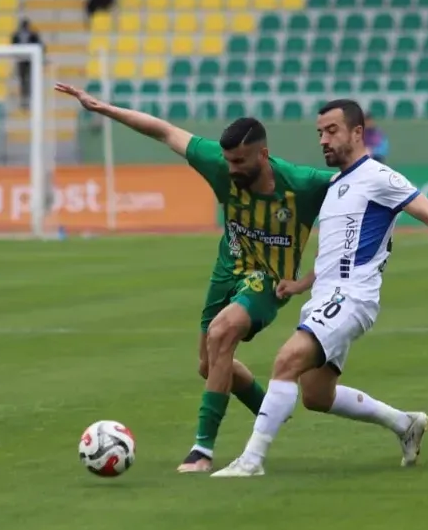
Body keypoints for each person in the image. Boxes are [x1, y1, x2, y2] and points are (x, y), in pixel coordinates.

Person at [54, 81, 335, 473]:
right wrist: (102, 108)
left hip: (269, 280)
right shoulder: (220, 163)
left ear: (263, 154)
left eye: (239, 161)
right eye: (228, 161)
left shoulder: (304, 185)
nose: (230, 169)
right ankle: (269, 407)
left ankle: (202, 451)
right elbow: (164, 130)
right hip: (227, 271)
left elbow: (362, 186)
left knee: (223, 334)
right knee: (209, 366)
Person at [213, 99, 428, 478]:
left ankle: (251, 461)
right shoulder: (335, 185)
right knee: (317, 395)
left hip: (353, 297)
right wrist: (301, 284)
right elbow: (337, 252)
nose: (324, 140)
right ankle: (405, 424)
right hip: (326, 296)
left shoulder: (378, 177)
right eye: (319, 133)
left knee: (285, 361)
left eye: (332, 131)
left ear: (356, 132)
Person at [11, 18, 43, 108]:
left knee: (28, 80)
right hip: (21, 60)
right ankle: (25, 99)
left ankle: (29, 99)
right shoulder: (17, 35)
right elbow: (13, 45)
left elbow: (39, 44)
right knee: (24, 80)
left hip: (30, 61)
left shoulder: (32, 34)